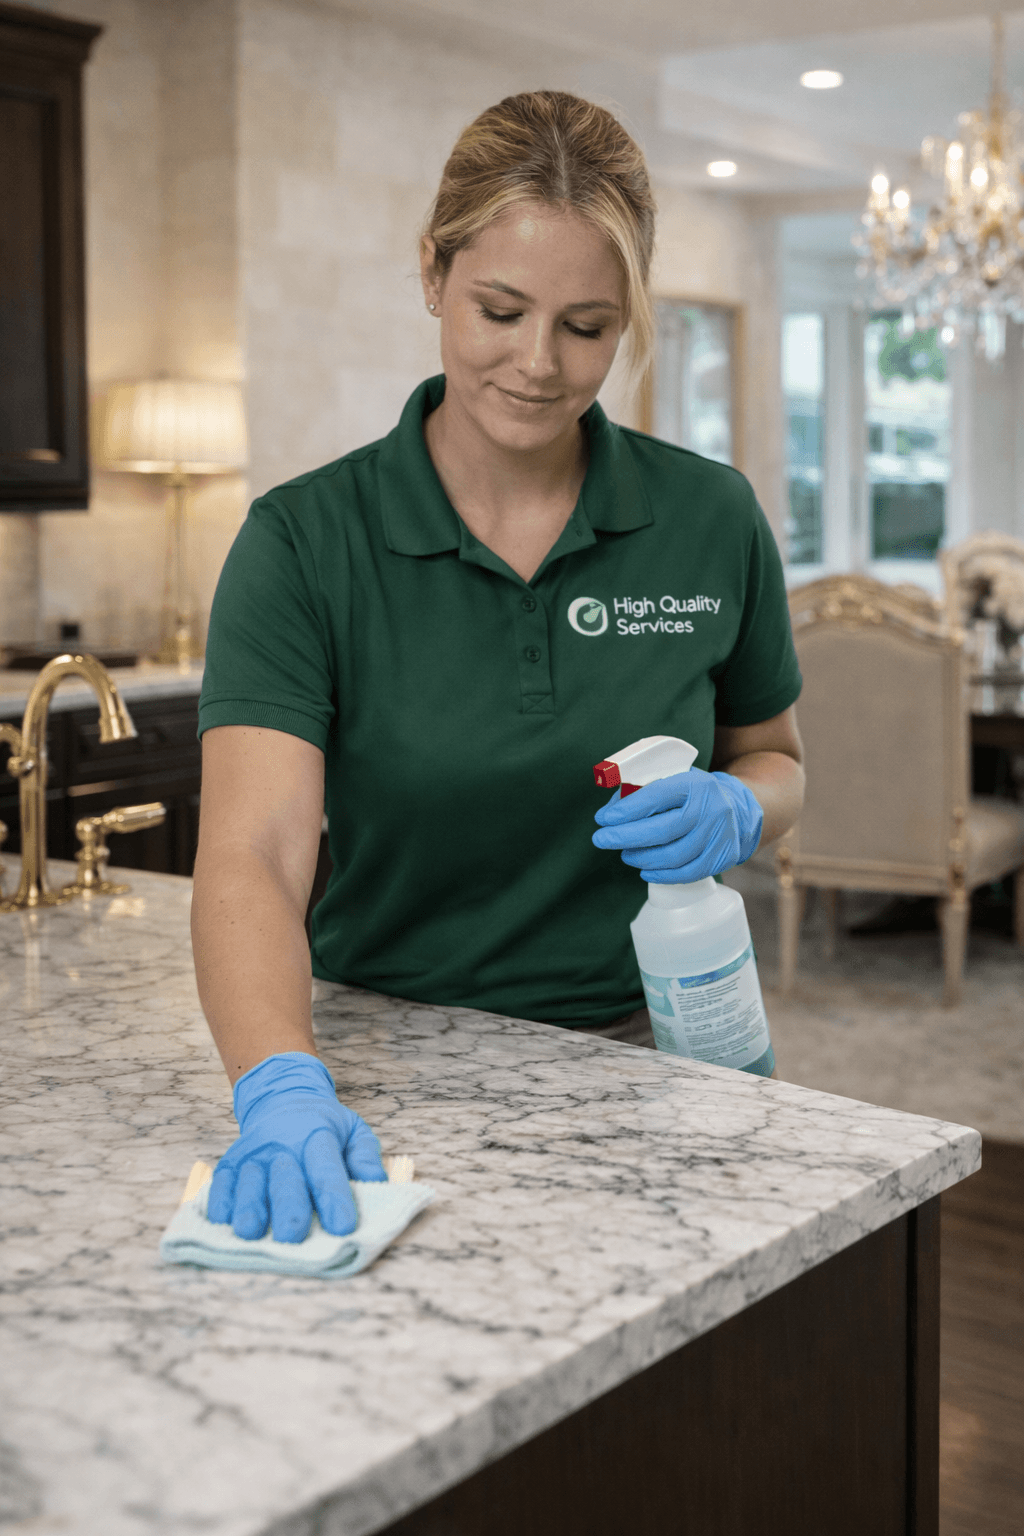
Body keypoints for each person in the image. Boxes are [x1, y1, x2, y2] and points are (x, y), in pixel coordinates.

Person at [192, 91, 805, 1245]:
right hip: (382, 1066)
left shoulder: (708, 517)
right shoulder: (304, 542)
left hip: (663, 1055)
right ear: (432, 273)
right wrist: (277, 1081)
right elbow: (255, 852)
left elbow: (774, 758)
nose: (537, 364)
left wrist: (740, 806)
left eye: (585, 326)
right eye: (499, 309)